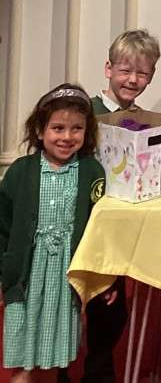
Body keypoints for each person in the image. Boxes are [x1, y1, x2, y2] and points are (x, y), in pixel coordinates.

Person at [0, 85, 111, 383]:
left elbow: (101, 229)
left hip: (65, 278)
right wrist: (3, 271)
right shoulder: (20, 171)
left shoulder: (92, 171)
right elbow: (3, 224)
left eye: (76, 128)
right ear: (40, 130)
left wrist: (103, 277)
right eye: (58, 128)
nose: (67, 136)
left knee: (54, 356)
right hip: (27, 274)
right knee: (22, 353)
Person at [77, 31, 161, 383]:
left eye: (142, 74)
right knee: (72, 305)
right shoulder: (85, 113)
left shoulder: (142, 118)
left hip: (119, 227)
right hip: (82, 221)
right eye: (126, 70)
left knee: (111, 309)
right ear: (109, 68)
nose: (133, 80)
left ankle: (98, 368)